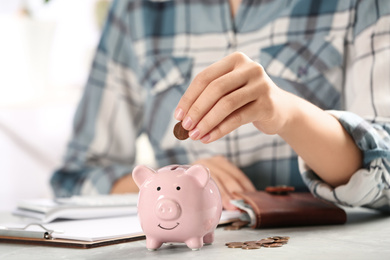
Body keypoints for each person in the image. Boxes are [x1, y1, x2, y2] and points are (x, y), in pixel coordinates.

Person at [51, 0, 390, 211]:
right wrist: (168, 183)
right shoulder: (135, 10)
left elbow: (385, 172)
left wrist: (286, 113)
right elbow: (75, 178)